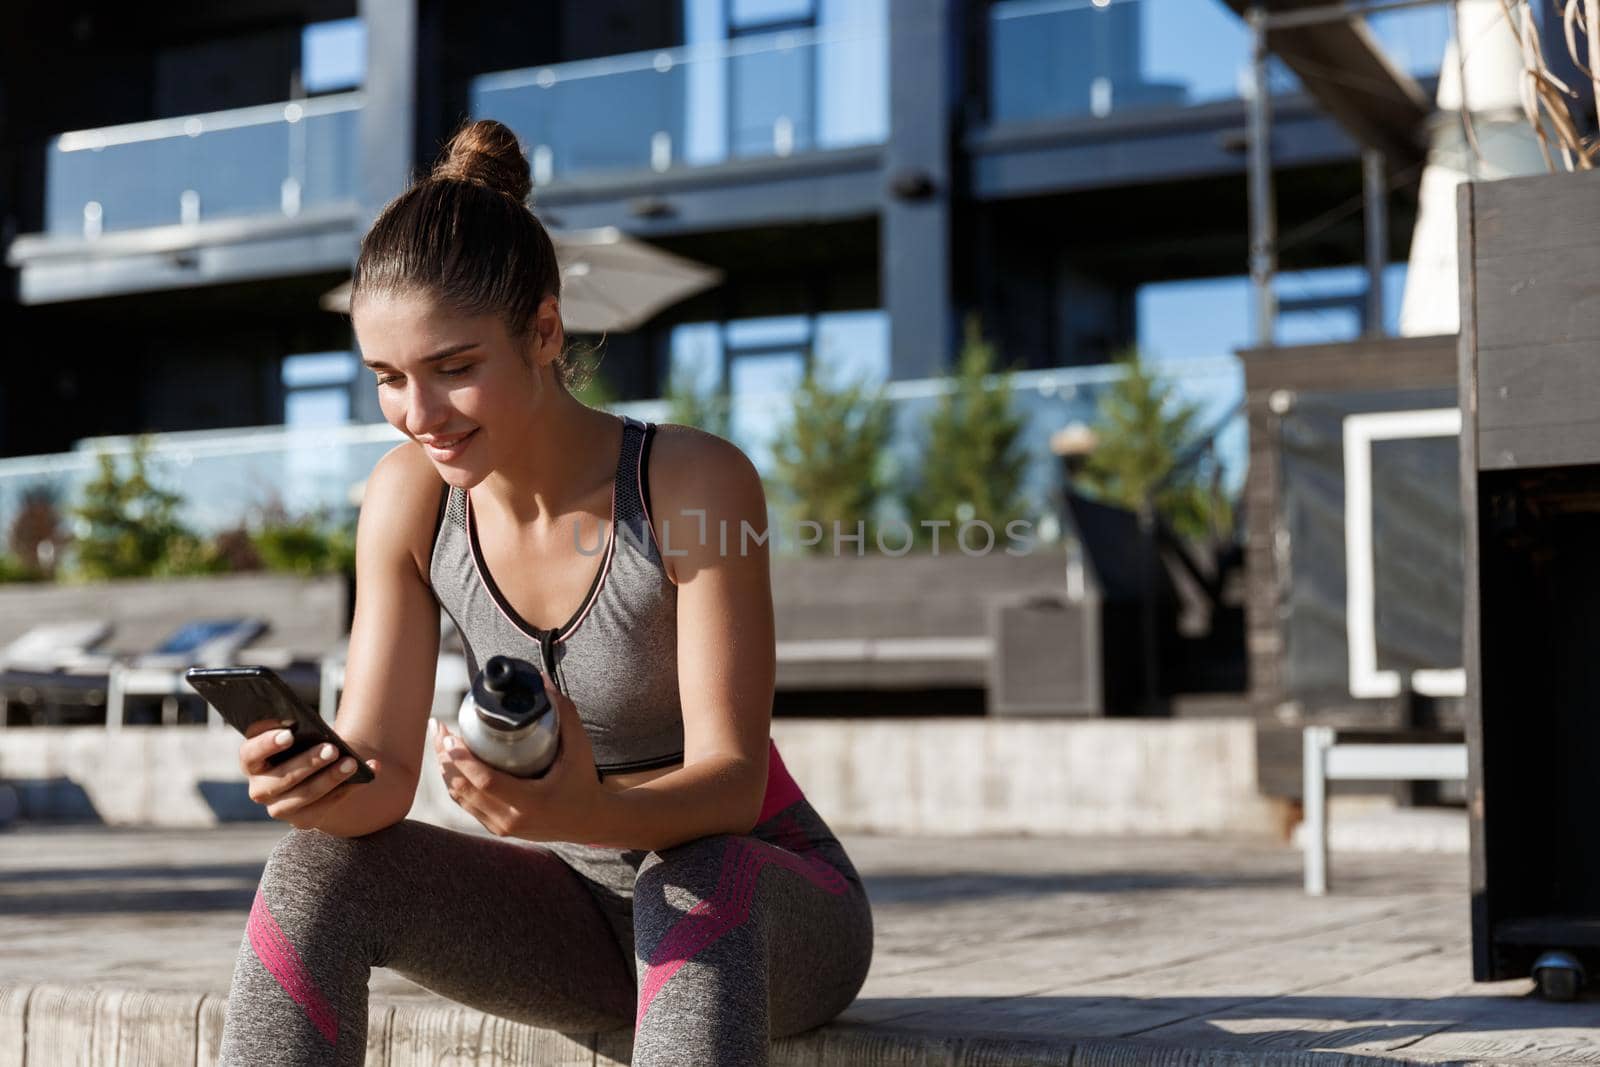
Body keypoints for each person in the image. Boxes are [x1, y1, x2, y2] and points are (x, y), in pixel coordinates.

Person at [217, 119, 874, 1067]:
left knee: (699, 879)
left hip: (768, 911)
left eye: (454, 369)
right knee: (314, 870)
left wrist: (576, 814)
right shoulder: (408, 498)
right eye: (389, 379)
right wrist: (315, 785)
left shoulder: (691, 483)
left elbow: (732, 784)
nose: (419, 415)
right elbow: (383, 783)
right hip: (575, 916)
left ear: (545, 332)